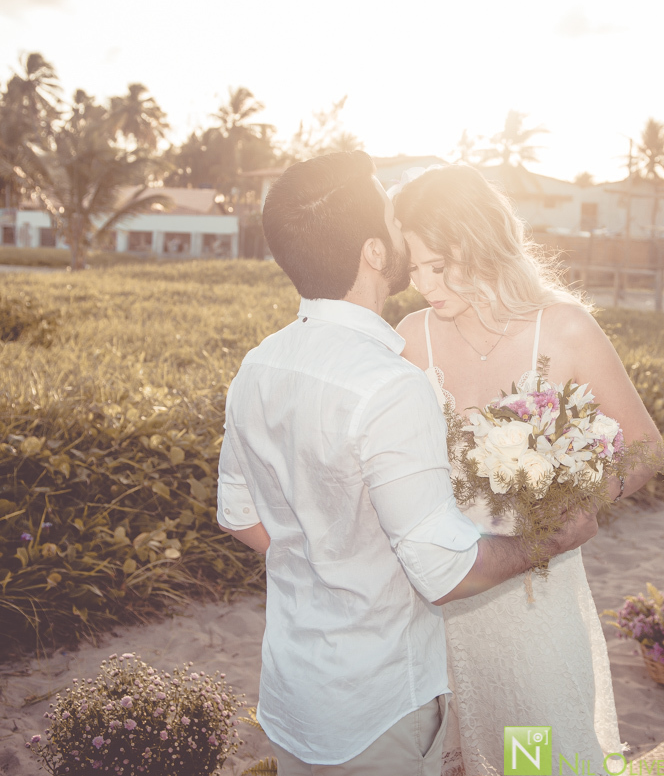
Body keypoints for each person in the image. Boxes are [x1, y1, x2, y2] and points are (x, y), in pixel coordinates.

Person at [216, 151, 598, 776]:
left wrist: (331, 560)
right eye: (392, 219)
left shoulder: (259, 363)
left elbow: (238, 517)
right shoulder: (391, 384)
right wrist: (553, 539)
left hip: (293, 691)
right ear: (374, 251)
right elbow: (442, 573)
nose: (403, 228)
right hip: (378, 703)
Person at [393, 164, 663, 776]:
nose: (423, 285)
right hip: (440, 594)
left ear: (480, 242)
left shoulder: (564, 328)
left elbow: (645, 445)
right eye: (413, 269)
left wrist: (581, 503)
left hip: (536, 596)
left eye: (437, 266)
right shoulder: (411, 337)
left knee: (534, 756)